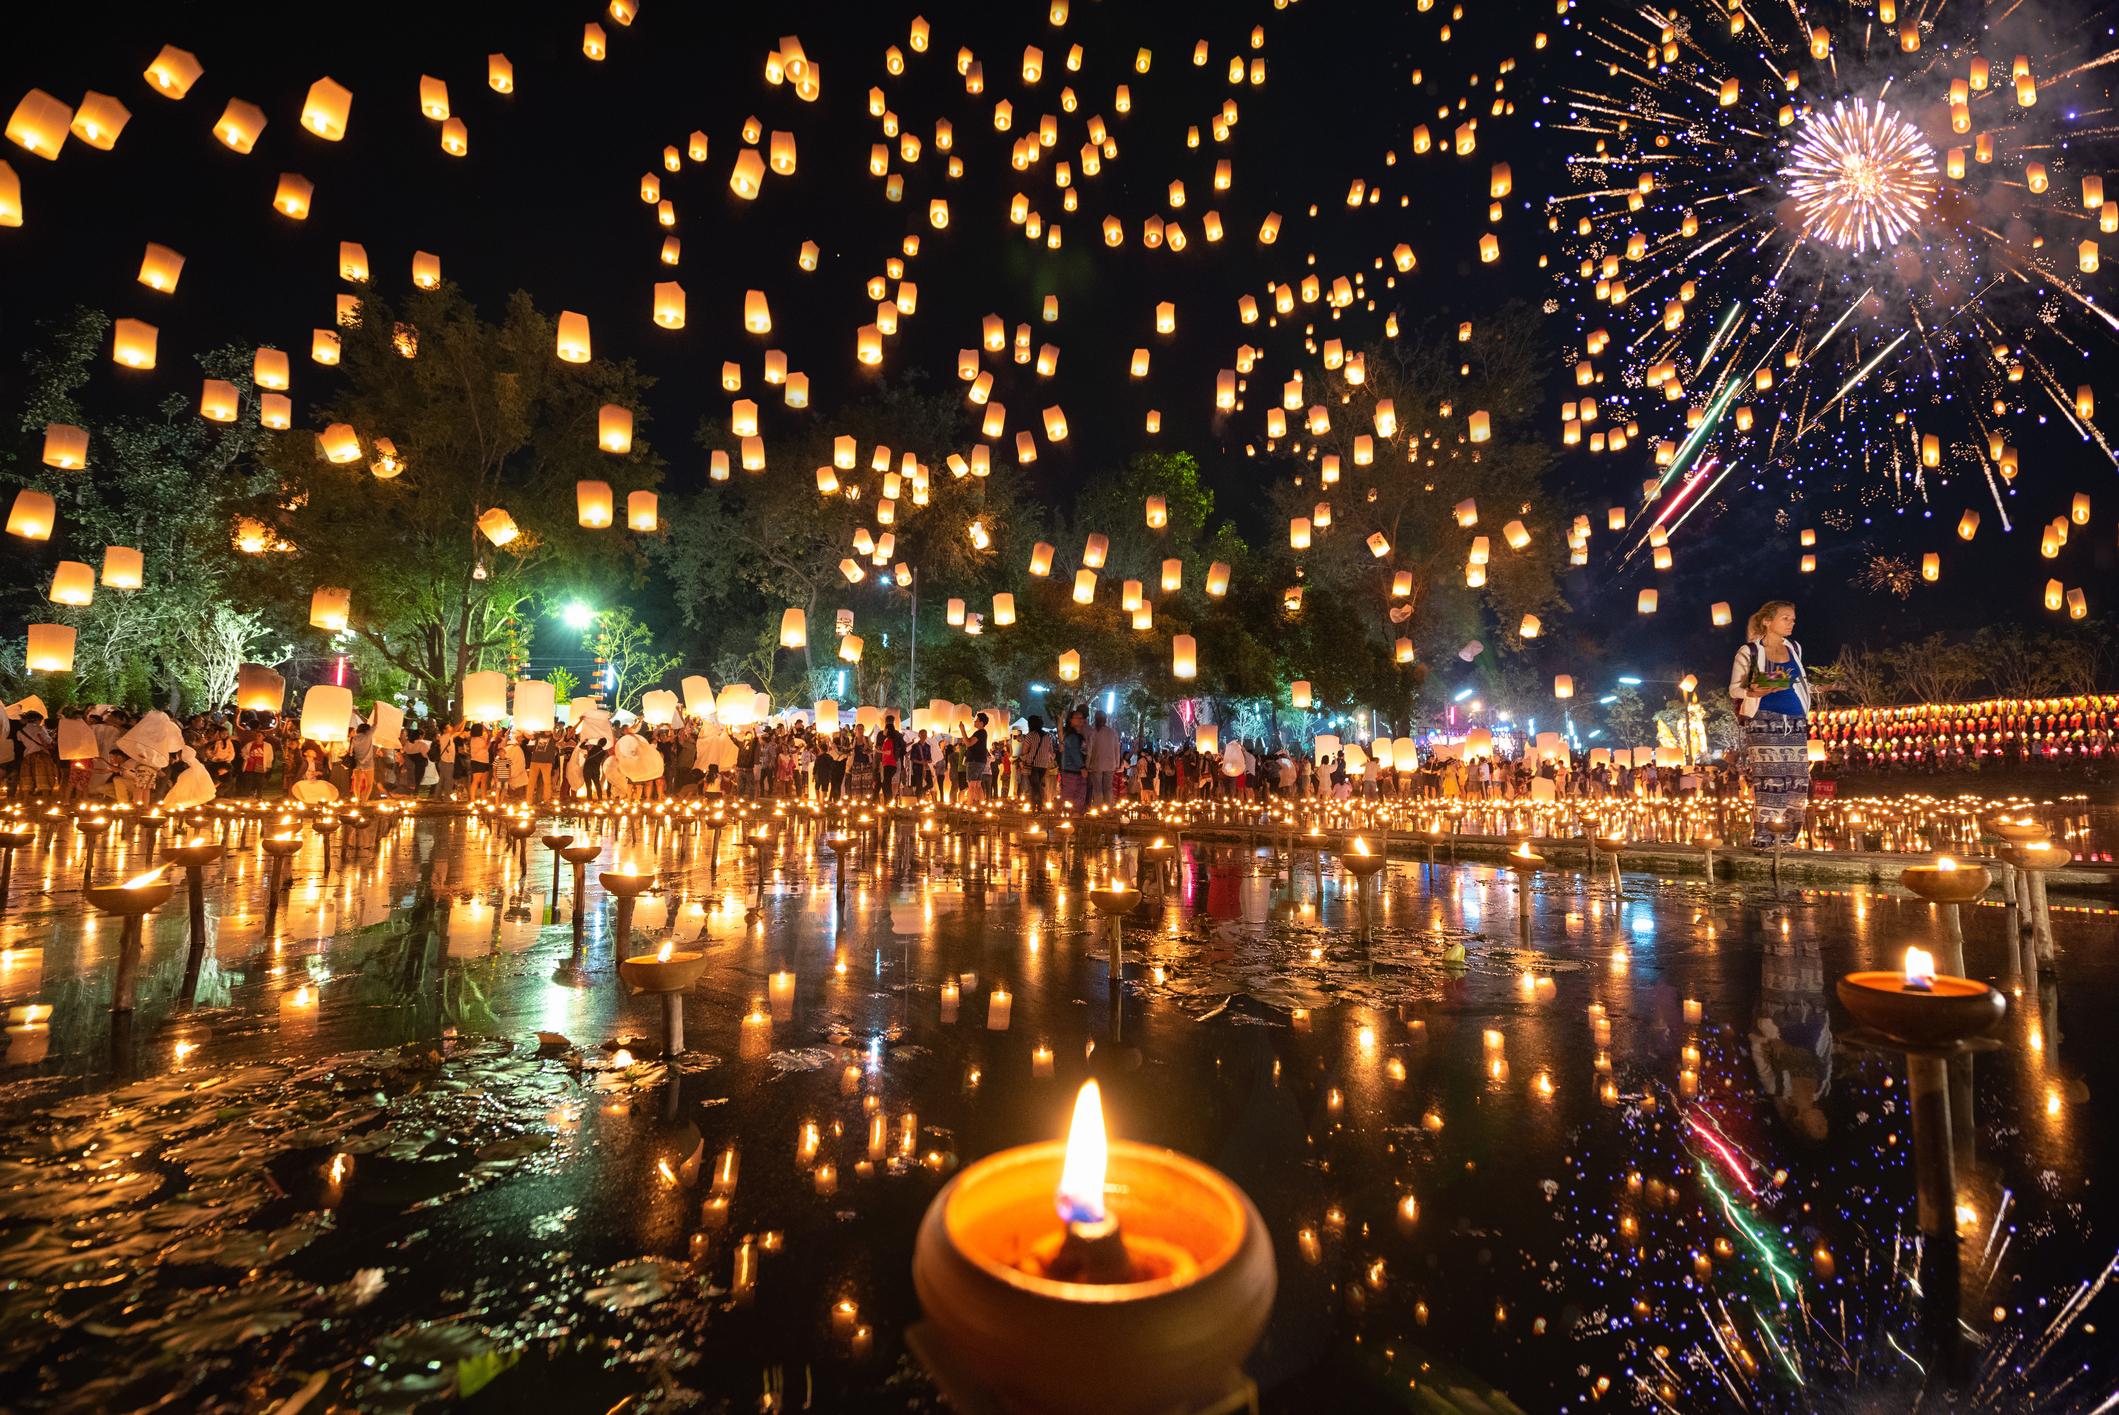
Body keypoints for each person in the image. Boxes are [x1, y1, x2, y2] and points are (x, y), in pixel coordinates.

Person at [1729, 599, 1812, 849]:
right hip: (1765, 719)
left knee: (1797, 781)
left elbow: (1798, 683)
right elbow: (1735, 689)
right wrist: (1753, 691)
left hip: (1796, 720)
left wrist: (1819, 686)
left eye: (1793, 618)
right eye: (1785, 618)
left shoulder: (1794, 648)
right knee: (1770, 780)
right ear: (1768, 621)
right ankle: (1764, 839)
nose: (1791, 623)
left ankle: (1788, 836)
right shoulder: (1750, 651)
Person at [1018, 714, 1055, 808]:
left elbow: (1025, 751)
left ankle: (1038, 806)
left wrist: (1022, 752)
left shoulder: (1030, 735)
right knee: (1036, 785)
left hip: (1033, 764)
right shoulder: (1048, 735)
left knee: (1034, 786)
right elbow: (1051, 751)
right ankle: (1035, 806)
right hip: (1043, 765)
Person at [1086, 710, 1121, 806]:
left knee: (1097, 788)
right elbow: (1117, 750)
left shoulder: (1093, 733)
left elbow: (1089, 750)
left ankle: (1099, 808)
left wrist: (1087, 764)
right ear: (1105, 719)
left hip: (1097, 764)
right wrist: (1117, 764)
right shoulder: (1112, 732)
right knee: (1108, 787)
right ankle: (1109, 809)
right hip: (1110, 764)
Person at [1058, 708, 1089, 809]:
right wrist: (1082, 767)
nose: (1080, 720)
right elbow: (1074, 753)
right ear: (1071, 721)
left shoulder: (1078, 735)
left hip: (1074, 770)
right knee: (1070, 795)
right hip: (1071, 770)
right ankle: (1065, 816)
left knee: (1077, 795)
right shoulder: (1072, 736)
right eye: (1077, 718)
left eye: (1081, 718)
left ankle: (1074, 815)